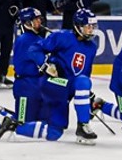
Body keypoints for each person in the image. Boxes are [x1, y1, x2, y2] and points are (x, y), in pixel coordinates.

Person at [0, 8, 65, 142]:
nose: (40, 21)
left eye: (40, 19)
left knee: (40, 121)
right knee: (21, 122)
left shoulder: (37, 38)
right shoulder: (24, 40)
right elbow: (33, 61)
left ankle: (0, 112)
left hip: (37, 86)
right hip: (25, 88)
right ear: (28, 23)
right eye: (36, 19)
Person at [40, 9, 104, 144]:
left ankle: (83, 126)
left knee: (55, 132)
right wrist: (45, 65)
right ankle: (82, 125)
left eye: (93, 27)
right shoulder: (61, 37)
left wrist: (86, 94)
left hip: (65, 89)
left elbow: (83, 74)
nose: (91, 30)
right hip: (52, 83)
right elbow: (35, 49)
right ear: (78, 26)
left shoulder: (91, 47)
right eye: (88, 26)